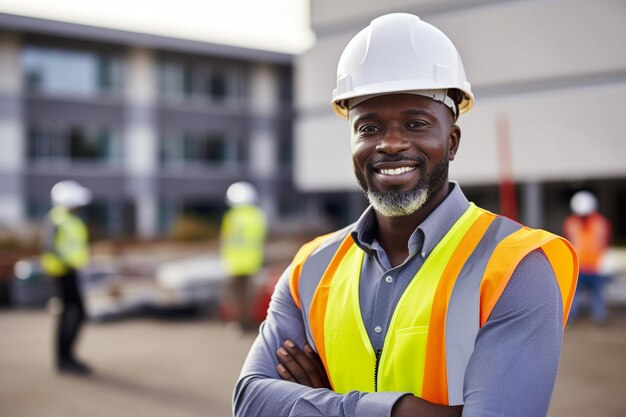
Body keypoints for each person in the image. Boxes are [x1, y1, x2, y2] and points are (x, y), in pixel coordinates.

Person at [233, 13, 578, 417]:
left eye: (416, 124)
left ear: (451, 142)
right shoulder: (309, 268)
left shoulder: (516, 267)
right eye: (369, 128)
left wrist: (315, 405)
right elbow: (250, 402)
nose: (391, 144)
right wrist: (403, 411)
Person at [40, 180, 92, 375]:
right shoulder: (57, 219)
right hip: (60, 273)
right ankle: (64, 359)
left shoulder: (73, 220)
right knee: (71, 314)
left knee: (76, 314)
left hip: (71, 272)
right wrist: (68, 262)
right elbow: (48, 246)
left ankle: (67, 356)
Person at [220, 181, 267, 331]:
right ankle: (251, 323)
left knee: (236, 296)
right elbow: (261, 238)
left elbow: (226, 239)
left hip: (235, 263)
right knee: (250, 295)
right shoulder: (258, 215)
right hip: (253, 261)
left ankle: (239, 323)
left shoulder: (232, 216)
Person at [564, 190, 611, 324]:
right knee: (577, 294)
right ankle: (573, 317)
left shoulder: (572, 222)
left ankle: (598, 316)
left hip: (594, 266)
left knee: (592, 294)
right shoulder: (600, 222)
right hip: (582, 265)